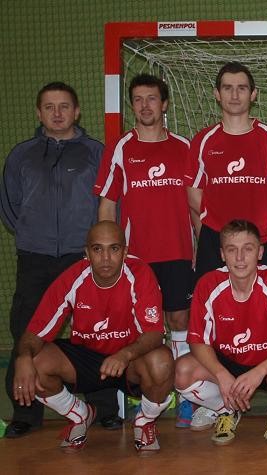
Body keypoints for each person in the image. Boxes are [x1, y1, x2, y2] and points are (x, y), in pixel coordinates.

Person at [0, 82, 119, 437]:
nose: (57, 113)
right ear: (38, 113)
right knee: (26, 329)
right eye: (49, 107)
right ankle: (25, 412)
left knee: (96, 329)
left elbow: (108, 203)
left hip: (82, 257)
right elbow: (11, 207)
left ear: (77, 111)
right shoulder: (21, 155)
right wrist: (34, 234)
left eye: (64, 106)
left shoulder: (96, 153)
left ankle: (105, 408)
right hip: (35, 258)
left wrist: (92, 247)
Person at [11, 221, 173, 454]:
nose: (106, 258)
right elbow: (35, 333)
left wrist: (125, 354)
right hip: (87, 358)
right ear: (87, 253)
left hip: (129, 360)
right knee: (34, 363)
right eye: (97, 249)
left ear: (125, 252)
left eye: (114, 248)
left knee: (162, 362)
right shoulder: (72, 279)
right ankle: (80, 415)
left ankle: (145, 422)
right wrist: (23, 358)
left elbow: (155, 334)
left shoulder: (140, 274)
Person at [93, 74, 196, 426]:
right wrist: (108, 255)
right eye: (138, 99)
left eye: (151, 98)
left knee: (180, 321)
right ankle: (144, 396)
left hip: (179, 253)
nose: (145, 105)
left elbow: (196, 205)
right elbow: (108, 205)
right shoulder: (121, 148)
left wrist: (203, 251)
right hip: (136, 258)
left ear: (164, 104)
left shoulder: (184, 147)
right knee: (140, 328)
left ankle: (185, 395)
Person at [175, 220, 267, 445]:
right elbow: (198, 341)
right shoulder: (208, 284)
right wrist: (221, 374)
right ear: (222, 254)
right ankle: (225, 410)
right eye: (232, 250)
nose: (240, 258)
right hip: (227, 363)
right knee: (183, 371)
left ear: (260, 253)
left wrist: (259, 372)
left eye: (248, 249)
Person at [186, 61, 267, 279]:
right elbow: (194, 193)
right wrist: (218, 226)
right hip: (215, 239)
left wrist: (266, 223)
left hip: (261, 237)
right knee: (210, 297)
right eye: (228, 88)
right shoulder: (203, 140)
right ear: (217, 94)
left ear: (253, 94)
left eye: (242, 88)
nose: (235, 95)